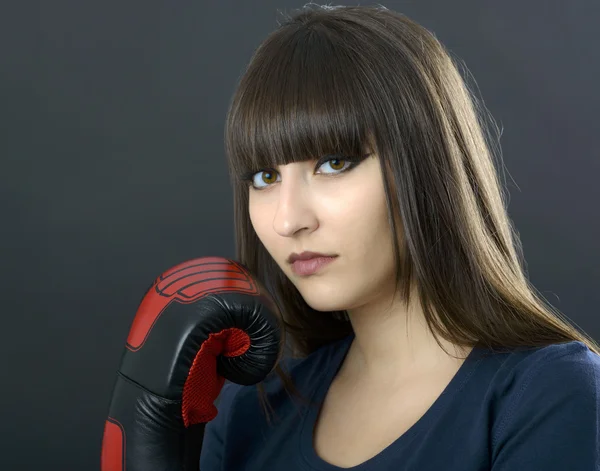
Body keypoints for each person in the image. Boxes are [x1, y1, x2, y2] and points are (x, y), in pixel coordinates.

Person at [200, 4, 600, 470]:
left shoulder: (547, 396)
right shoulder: (249, 412)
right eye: (265, 177)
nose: (288, 220)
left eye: (333, 163)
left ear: (427, 165)